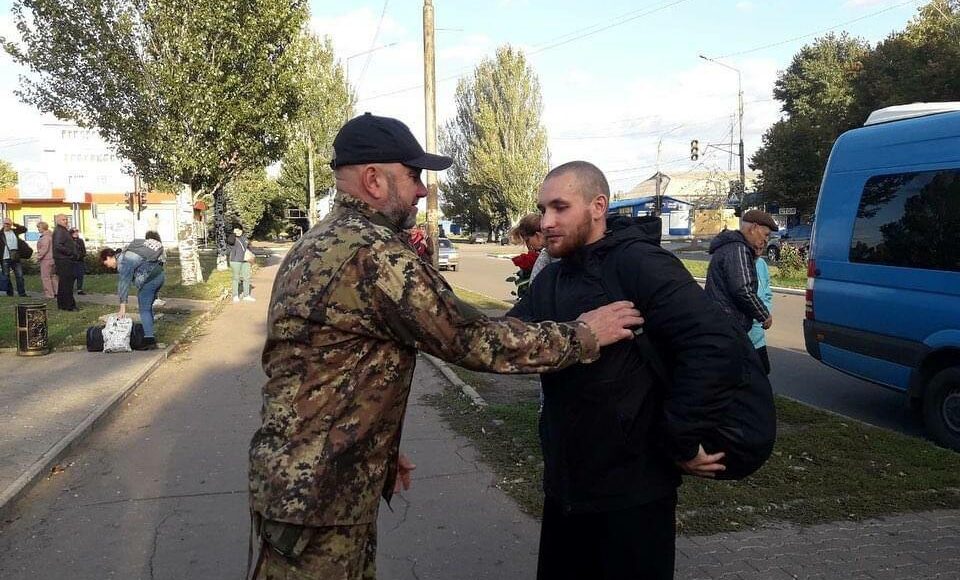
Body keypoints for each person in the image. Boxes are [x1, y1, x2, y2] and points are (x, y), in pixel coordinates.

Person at [248, 113, 643, 580]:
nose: (421, 191)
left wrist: (373, 447)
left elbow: (320, 368)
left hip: (307, 481)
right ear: (374, 180)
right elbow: (472, 340)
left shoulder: (320, 242)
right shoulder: (373, 254)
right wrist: (583, 335)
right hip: (320, 494)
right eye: (414, 176)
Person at [508, 161, 742, 580]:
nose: (547, 222)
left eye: (560, 208)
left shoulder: (639, 264)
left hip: (632, 495)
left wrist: (681, 440)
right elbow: (505, 342)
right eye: (543, 210)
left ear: (598, 206)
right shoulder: (550, 280)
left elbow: (714, 343)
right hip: (565, 487)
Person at [704, 209, 777, 334]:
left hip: (721, 323)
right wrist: (764, 315)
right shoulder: (738, 248)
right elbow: (743, 289)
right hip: (728, 326)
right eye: (766, 234)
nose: (766, 241)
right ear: (753, 228)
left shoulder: (732, 246)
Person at [98, 238, 165, 350]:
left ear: (109, 257)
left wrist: (122, 307)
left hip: (149, 280)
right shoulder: (127, 253)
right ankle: (149, 332)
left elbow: (124, 284)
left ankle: (149, 340)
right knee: (148, 307)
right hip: (160, 275)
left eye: (106, 263)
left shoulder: (124, 262)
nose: (108, 267)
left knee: (144, 309)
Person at [748, 242, 774, 375]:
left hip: (759, 332)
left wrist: (767, 312)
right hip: (744, 332)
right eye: (755, 247)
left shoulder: (762, 264)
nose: (758, 251)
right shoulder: (742, 264)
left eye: (761, 248)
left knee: (764, 371)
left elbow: (767, 292)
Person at [52, 214, 78, 310]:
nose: (66, 221)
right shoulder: (59, 231)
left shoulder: (62, 230)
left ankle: (63, 304)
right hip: (63, 260)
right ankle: (68, 305)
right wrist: (70, 252)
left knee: (64, 283)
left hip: (64, 259)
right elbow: (58, 246)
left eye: (66, 219)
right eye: (63, 219)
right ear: (58, 221)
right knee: (66, 283)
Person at [0, 217, 28, 297]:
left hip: (15, 257)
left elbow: (24, 229)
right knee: (6, 276)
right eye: (5, 223)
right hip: (5, 258)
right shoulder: (1, 234)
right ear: (3, 224)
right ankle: (10, 293)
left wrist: (14, 224)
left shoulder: (15, 231)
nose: (7, 225)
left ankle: (22, 293)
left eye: (8, 224)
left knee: (20, 276)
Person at [226, 225, 254, 303]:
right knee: (236, 278)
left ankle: (246, 295)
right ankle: (235, 295)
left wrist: (250, 255)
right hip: (235, 261)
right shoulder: (232, 238)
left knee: (246, 277)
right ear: (233, 231)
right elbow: (230, 241)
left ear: (242, 230)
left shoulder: (244, 238)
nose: (238, 232)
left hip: (245, 261)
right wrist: (233, 234)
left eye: (239, 230)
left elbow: (249, 247)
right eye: (236, 230)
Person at [36, 221, 57, 299]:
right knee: (53, 276)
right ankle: (56, 291)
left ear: (43, 228)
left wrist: (38, 257)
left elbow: (44, 248)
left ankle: (49, 294)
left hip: (46, 259)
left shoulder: (45, 237)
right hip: (53, 259)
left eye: (39, 227)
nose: (38, 229)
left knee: (45, 277)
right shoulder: (51, 236)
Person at [70, 228, 87, 295]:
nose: (76, 234)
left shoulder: (80, 241)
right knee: (72, 276)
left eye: (77, 232)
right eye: (74, 232)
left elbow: (84, 251)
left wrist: (81, 256)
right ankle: (70, 288)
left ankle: (79, 289)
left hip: (80, 261)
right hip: (72, 261)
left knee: (80, 275)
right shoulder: (69, 241)